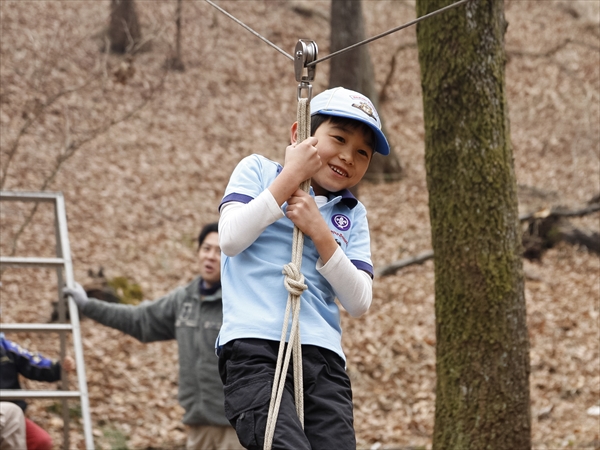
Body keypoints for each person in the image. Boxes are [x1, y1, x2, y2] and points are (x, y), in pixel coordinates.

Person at [217, 86, 390, 449]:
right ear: (300, 134)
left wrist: (320, 232)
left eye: (362, 152)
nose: (347, 157)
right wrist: (287, 182)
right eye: (338, 138)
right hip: (255, 348)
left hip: (323, 359)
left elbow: (359, 301)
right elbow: (231, 238)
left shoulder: (351, 214)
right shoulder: (259, 171)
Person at [63, 223, 243, 450]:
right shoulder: (183, 299)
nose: (211, 257)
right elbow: (139, 319)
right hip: (199, 426)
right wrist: (88, 305)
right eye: (206, 249)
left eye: (219, 251)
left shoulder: (239, 301)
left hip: (236, 427)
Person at [0, 333, 75, 450]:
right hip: (6, 413)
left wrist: (58, 367)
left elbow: (34, 363)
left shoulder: (6, 348)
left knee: (41, 441)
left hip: (13, 417)